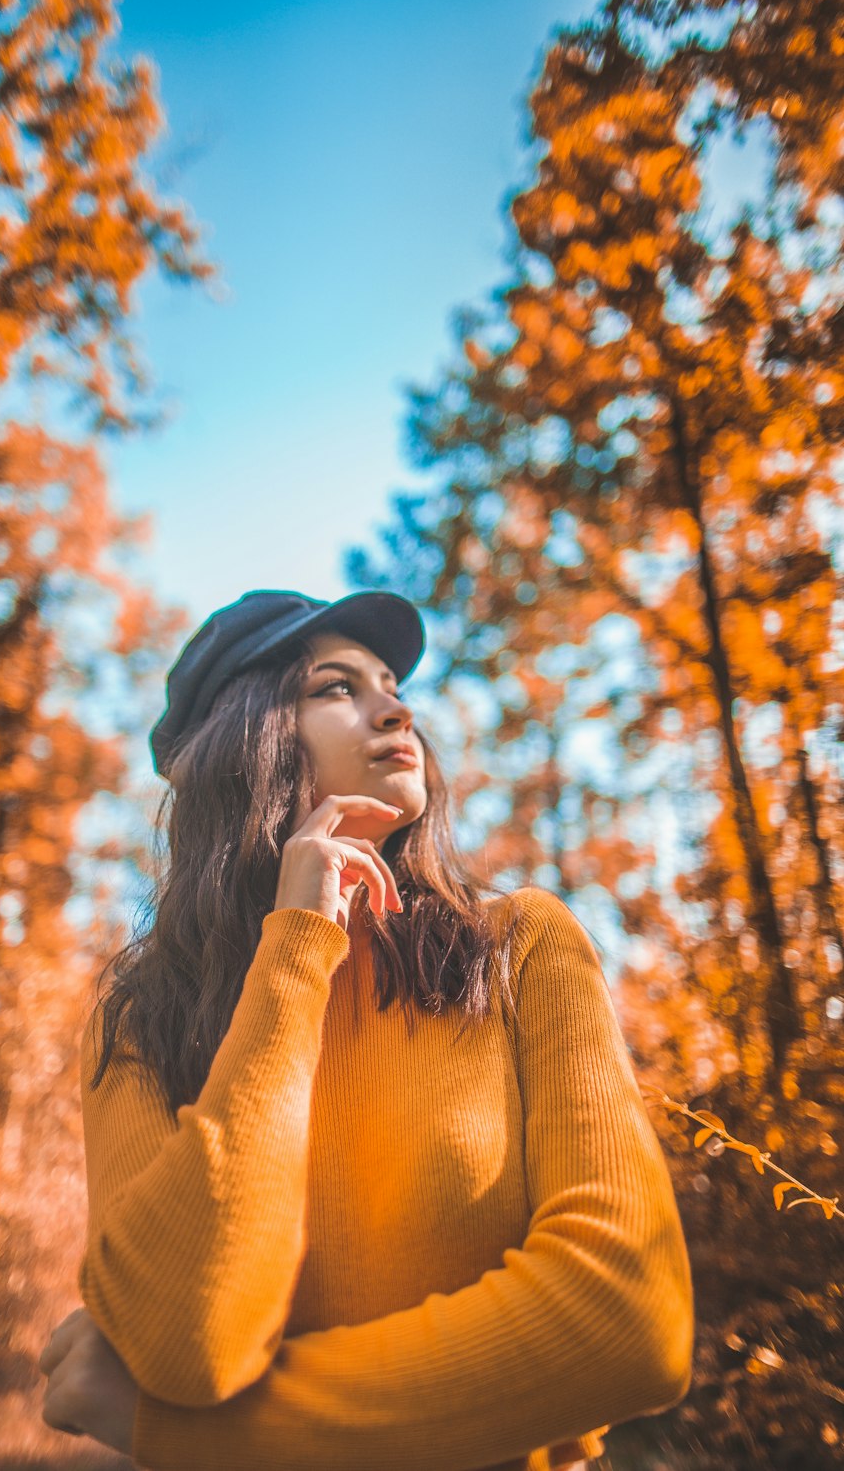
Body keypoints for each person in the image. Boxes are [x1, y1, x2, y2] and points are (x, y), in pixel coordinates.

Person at [39, 587, 694, 1470]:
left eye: (389, 682)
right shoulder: (139, 1024)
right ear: (249, 743)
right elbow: (193, 1342)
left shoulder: (521, 949)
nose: (397, 705)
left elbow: (630, 1322)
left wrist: (195, 1439)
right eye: (336, 687)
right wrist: (297, 949)